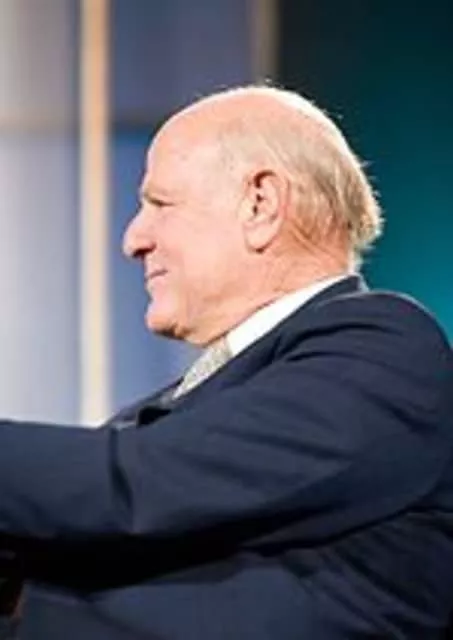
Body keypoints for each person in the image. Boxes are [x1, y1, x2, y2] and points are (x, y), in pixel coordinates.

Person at [0, 85, 452, 640]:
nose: (133, 239)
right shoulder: (177, 407)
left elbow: (137, 488)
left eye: (160, 204)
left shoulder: (383, 348)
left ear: (260, 205)